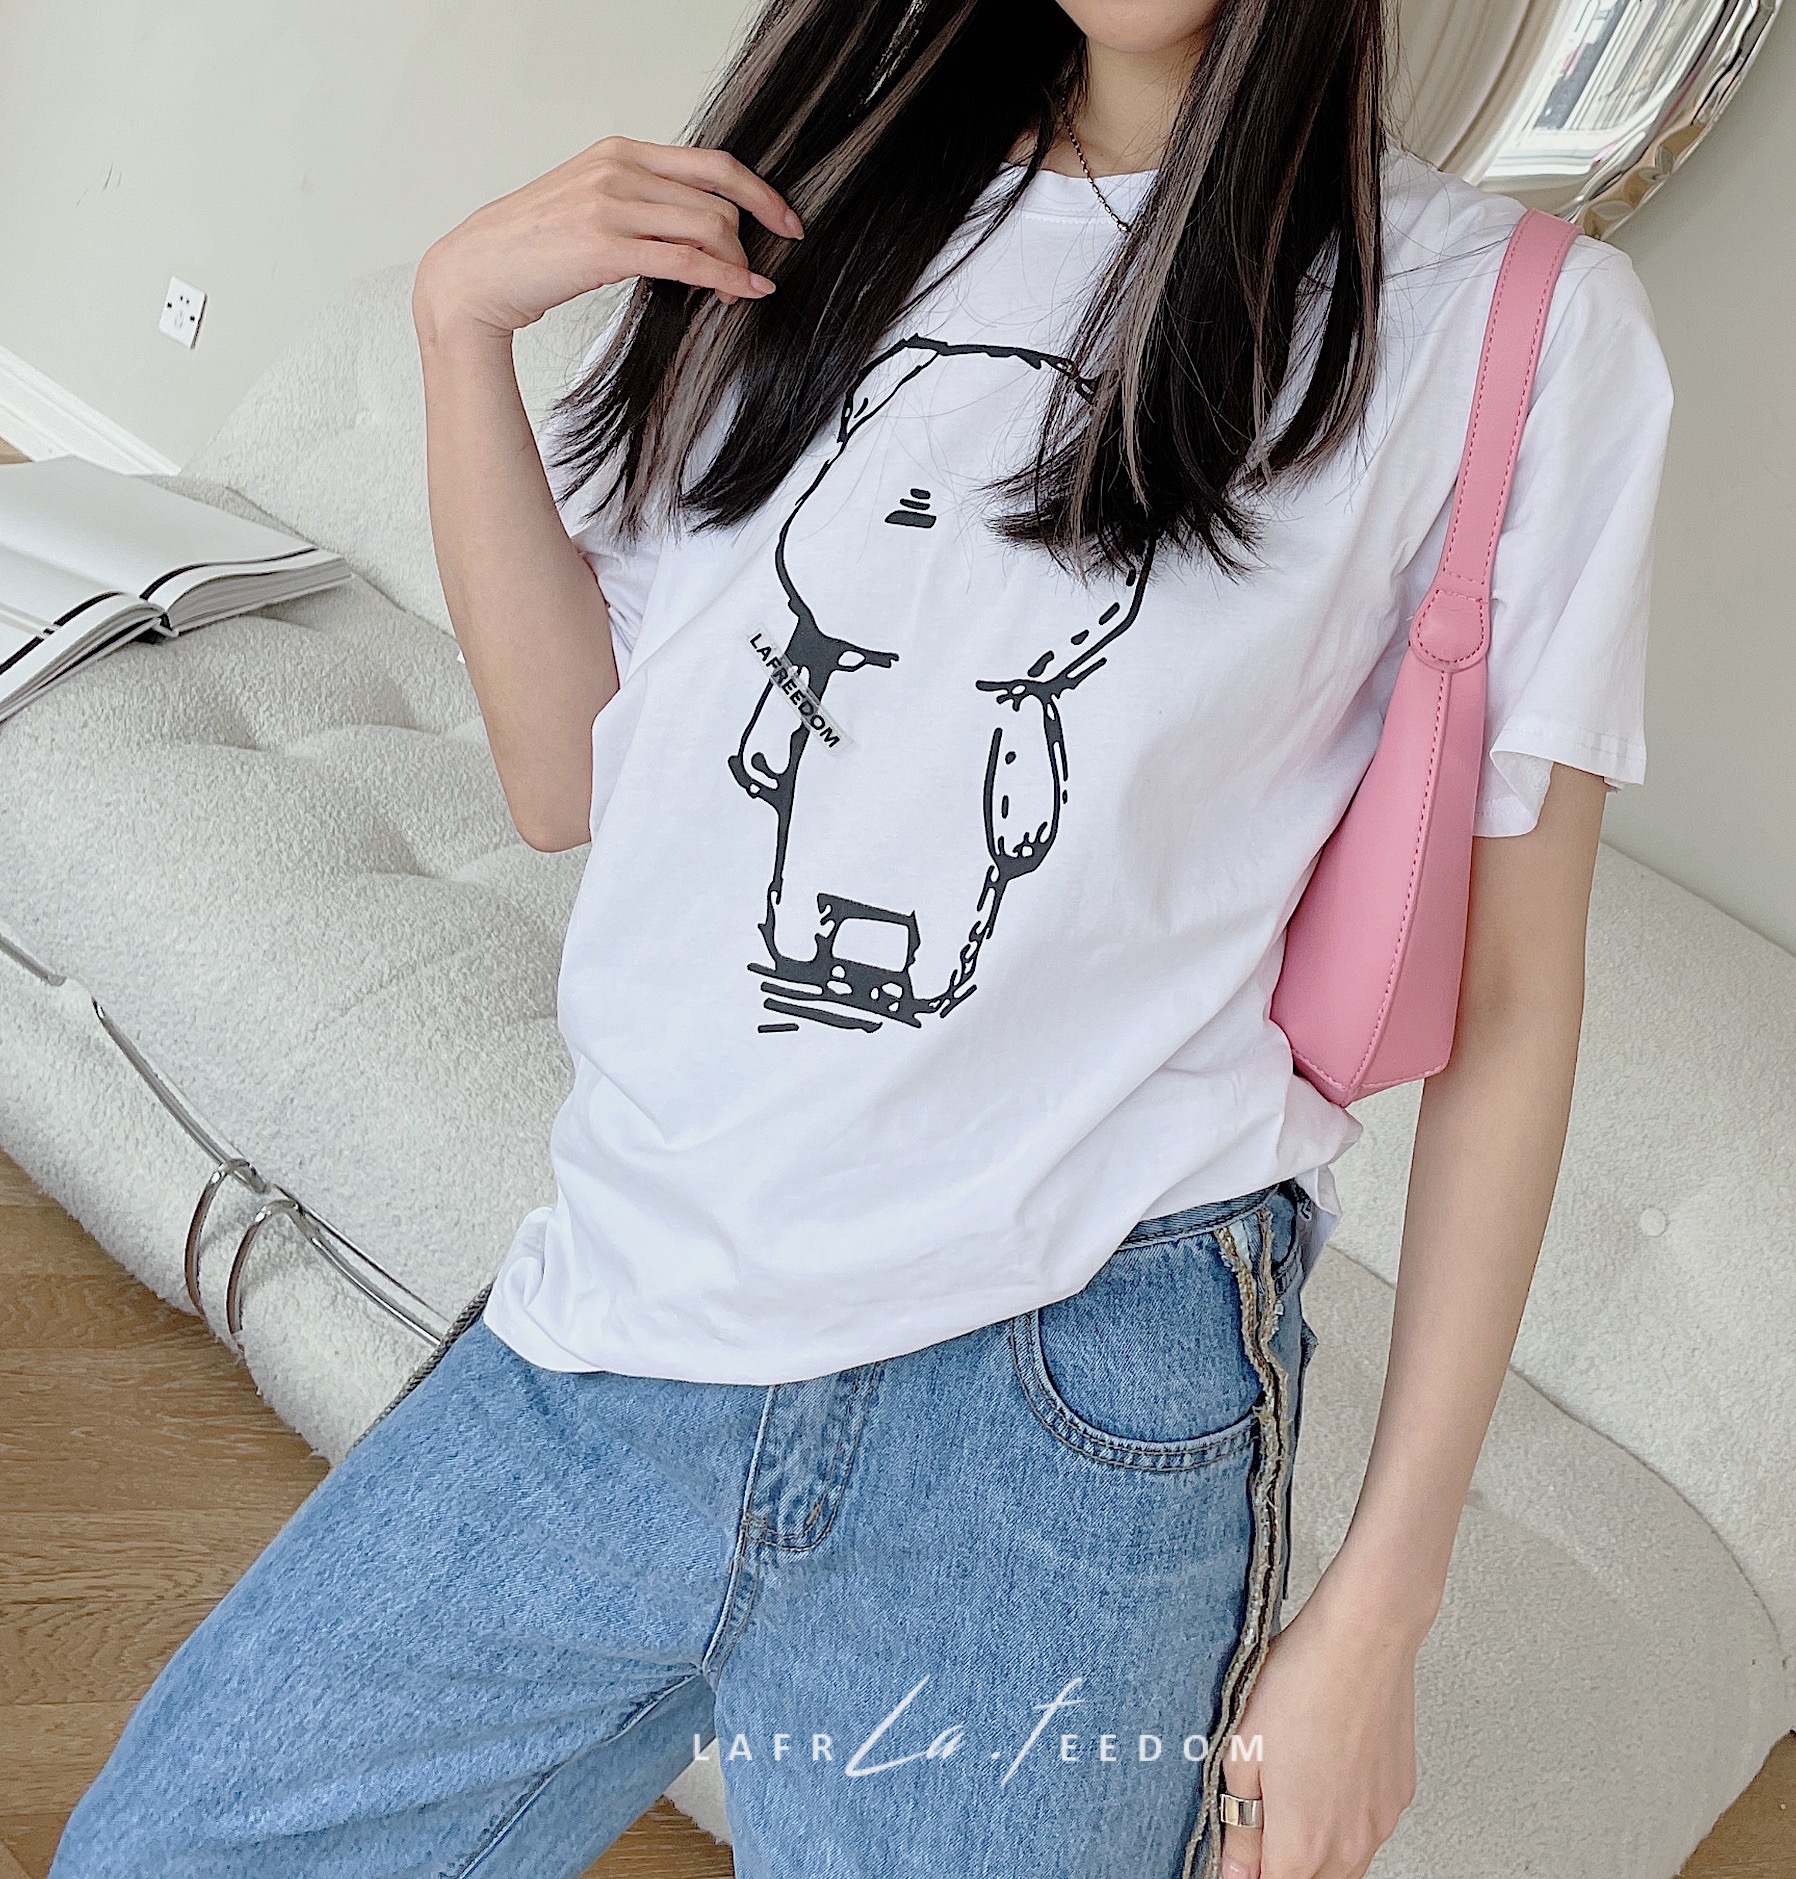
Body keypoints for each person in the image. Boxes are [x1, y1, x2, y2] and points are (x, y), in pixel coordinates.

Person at [52, 1, 1673, 1875]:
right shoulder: (815, 196)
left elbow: (1509, 1000)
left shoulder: (1506, 327)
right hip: (625, 1315)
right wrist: (457, 327)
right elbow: (567, 774)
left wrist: (1381, 1611)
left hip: (1058, 1412)